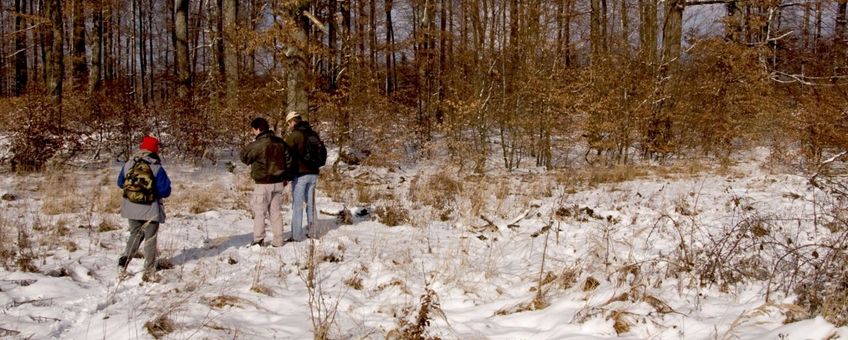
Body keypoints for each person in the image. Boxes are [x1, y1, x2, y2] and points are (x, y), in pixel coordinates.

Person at [116, 135, 172, 283]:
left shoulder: (128, 164)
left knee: (134, 235)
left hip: (130, 207)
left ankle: (123, 265)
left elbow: (120, 183)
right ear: (155, 150)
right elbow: (165, 191)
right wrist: (150, 193)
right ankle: (149, 271)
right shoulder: (156, 167)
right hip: (150, 209)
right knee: (150, 239)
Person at [240, 117, 292, 247]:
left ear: (257, 129)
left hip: (263, 184)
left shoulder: (256, 145)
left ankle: (258, 240)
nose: (253, 132)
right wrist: (286, 177)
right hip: (279, 182)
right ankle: (278, 240)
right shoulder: (280, 142)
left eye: (253, 130)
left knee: (260, 213)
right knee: (276, 212)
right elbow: (289, 161)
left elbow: (244, 157)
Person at [284, 111, 320, 241]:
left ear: (292, 121)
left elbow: (286, 155)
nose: (289, 126)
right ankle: (313, 232)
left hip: (300, 175)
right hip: (314, 173)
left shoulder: (295, 135)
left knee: (297, 205)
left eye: (289, 123)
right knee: (311, 204)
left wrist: (286, 174)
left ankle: (296, 235)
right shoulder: (313, 133)